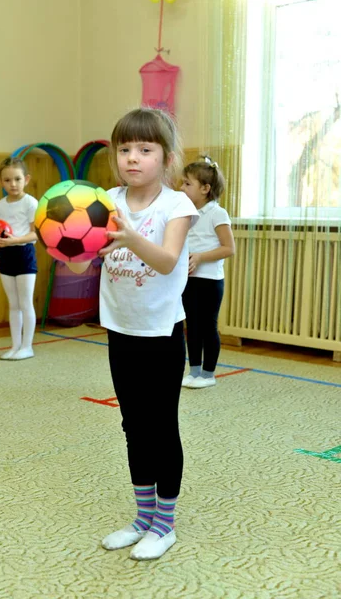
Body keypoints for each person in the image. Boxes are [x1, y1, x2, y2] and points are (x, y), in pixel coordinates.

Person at [97, 107, 199, 560]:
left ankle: (166, 524)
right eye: (124, 149)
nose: (132, 158)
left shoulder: (178, 205)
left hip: (161, 333)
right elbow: (83, 261)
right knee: (132, 425)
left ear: (168, 157)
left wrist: (129, 234)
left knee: (161, 428)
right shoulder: (104, 200)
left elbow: (166, 260)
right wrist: (64, 243)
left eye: (145, 149)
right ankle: (141, 518)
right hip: (120, 329)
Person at [180, 156, 235, 389]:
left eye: (187, 184)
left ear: (205, 189)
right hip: (189, 279)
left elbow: (228, 248)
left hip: (210, 281)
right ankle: (193, 372)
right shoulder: (186, 212)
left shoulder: (217, 213)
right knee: (191, 325)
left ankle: (208, 374)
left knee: (207, 326)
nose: (181, 188)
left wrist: (200, 257)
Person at [0, 157, 38, 360]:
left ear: (26, 179)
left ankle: (27, 346)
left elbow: (36, 234)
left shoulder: (31, 203)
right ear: (1, 182)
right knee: (13, 303)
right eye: (8, 180)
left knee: (25, 302)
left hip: (24, 253)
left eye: (17, 179)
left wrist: (15, 240)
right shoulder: (0, 205)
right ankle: (15, 346)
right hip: (6, 254)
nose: (13, 184)